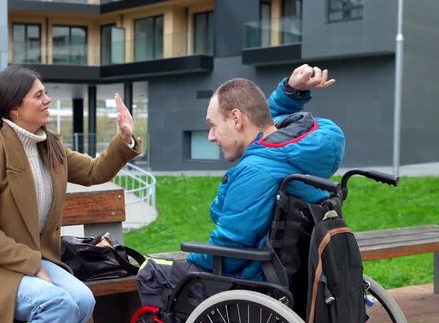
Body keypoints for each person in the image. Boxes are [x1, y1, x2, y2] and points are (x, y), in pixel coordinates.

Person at [0, 64, 140, 323]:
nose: (47, 99)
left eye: (45, 93)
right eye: (38, 95)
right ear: (14, 108)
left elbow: (95, 171)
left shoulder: (51, 147)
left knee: (83, 299)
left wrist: (124, 139)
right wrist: (34, 265)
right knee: (58, 304)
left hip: (32, 263)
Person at [137, 64, 345, 307]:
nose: (211, 136)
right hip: (300, 277)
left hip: (255, 285)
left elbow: (229, 249)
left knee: (151, 273)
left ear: (236, 118)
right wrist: (290, 92)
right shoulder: (302, 147)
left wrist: (192, 256)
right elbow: (262, 120)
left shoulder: (256, 172)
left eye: (213, 125)